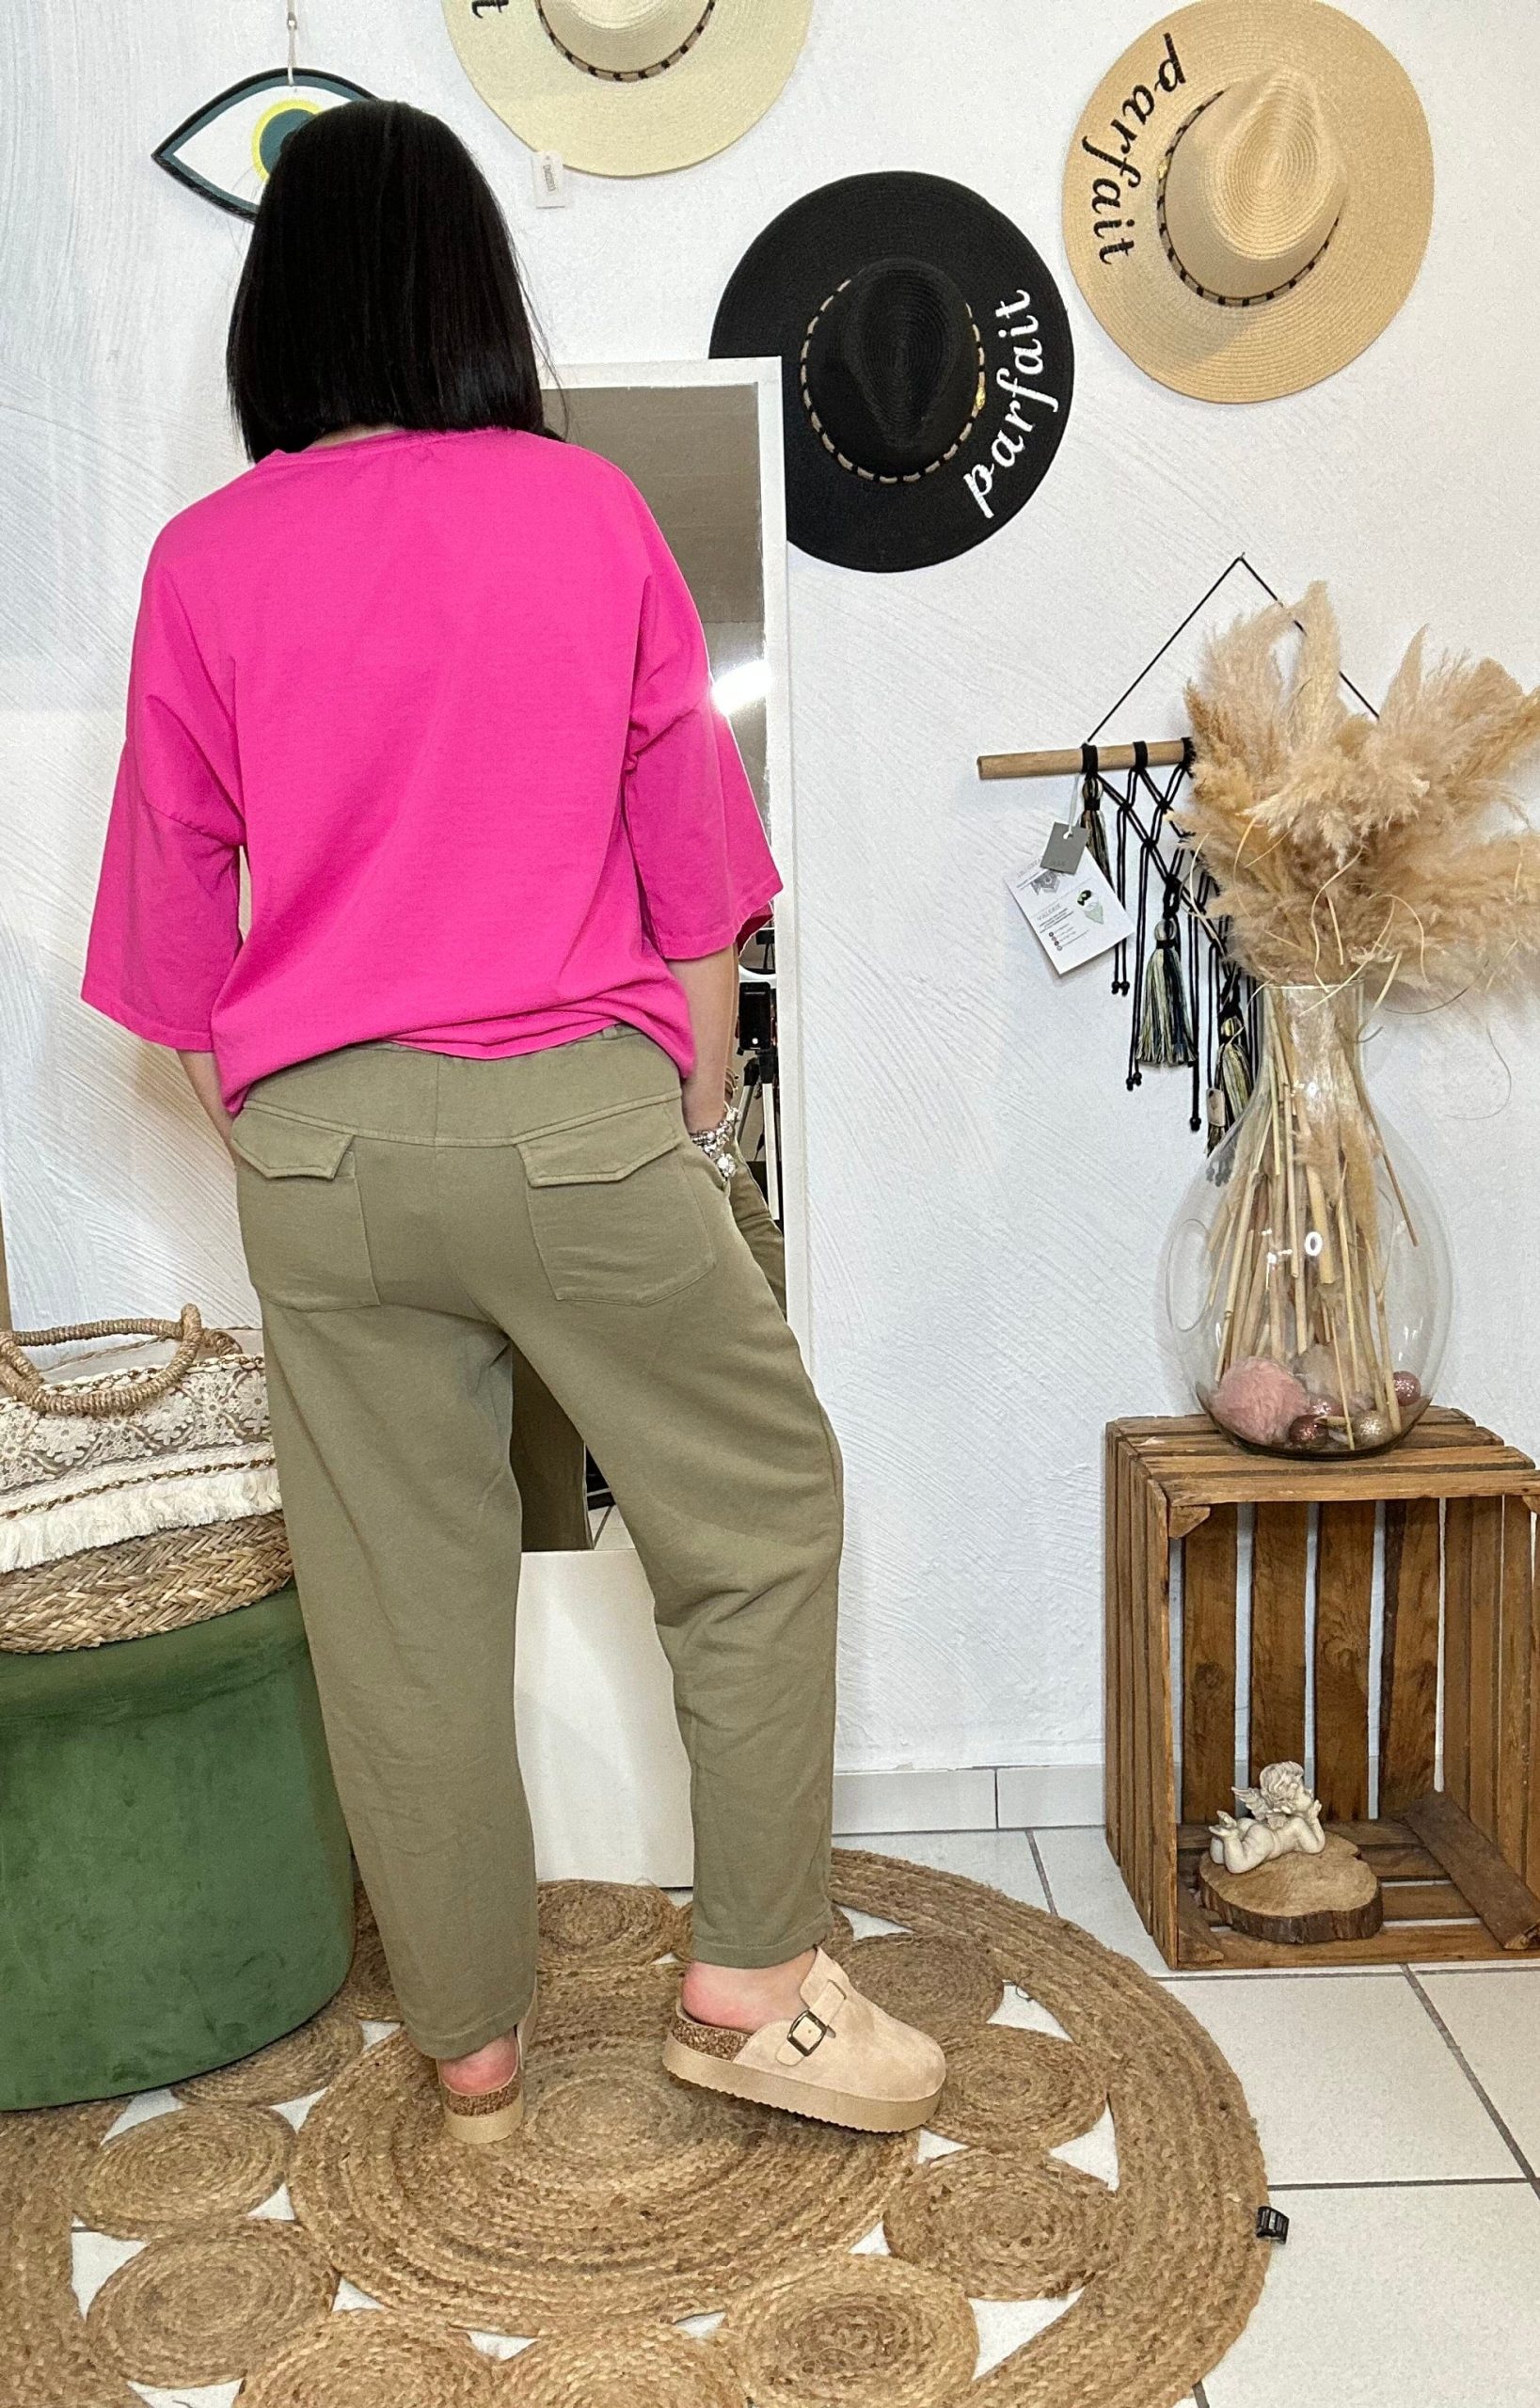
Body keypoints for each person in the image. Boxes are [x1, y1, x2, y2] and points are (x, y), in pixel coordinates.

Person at [81, 99, 943, 2145]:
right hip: (570, 1123)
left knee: (400, 1607)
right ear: (475, 288)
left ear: (281, 313)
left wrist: (296, 1127)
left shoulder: (206, 559)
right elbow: (693, 868)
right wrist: (675, 1084)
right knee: (756, 1509)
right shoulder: (582, 510)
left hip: (319, 1155)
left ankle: (468, 2036)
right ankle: (748, 1984)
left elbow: (171, 945)